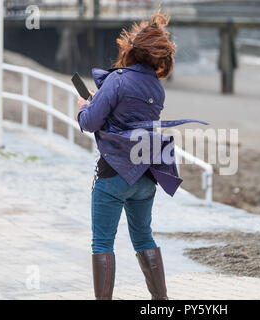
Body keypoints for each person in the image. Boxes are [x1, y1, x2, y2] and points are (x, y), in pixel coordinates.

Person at [77, 8, 206, 300]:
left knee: (102, 243)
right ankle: (161, 301)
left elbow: (90, 123)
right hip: (146, 175)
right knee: (143, 237)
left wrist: (83, 106)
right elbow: (133, 120)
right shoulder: (157, 89)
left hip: (114, 173)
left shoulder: (118, 79)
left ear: (132, 49)